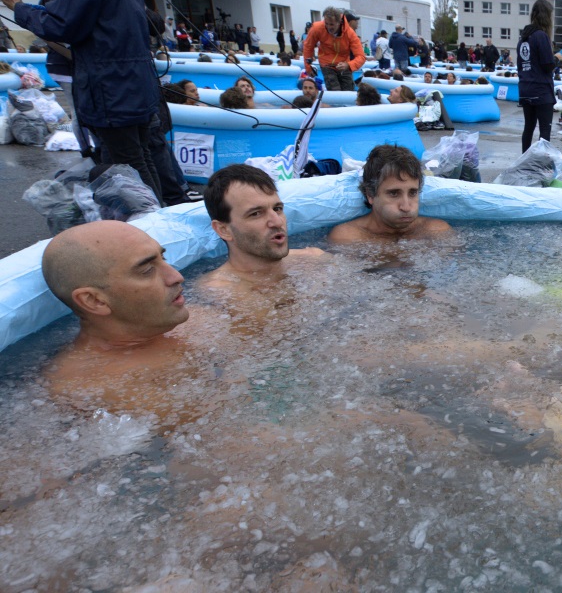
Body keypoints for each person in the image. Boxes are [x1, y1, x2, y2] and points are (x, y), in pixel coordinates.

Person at [2, 0, 163, 198]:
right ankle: (154, 217)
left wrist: (17, 6)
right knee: (141, 158)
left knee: (127, 166)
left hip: (111, 87)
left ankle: (147, 222)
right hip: (132, 82)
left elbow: (61, 26)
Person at [40, 221, 196, 427]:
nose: (176, 276)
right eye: (147, 269)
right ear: (94, 300)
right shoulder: (89, 390)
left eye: (163, 258)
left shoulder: (198, 321)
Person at [200, 164, 326, 295]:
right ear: (223, 230)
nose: (277, 222)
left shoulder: (313, 259)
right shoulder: (221, 290)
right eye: (256, 213)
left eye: (277, 209)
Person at [328, 145, 451, 243]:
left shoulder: (436, 230)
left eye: (412, 192)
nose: (406, 207)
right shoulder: (348, 236)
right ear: (370, 195)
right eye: (394, 193)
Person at [517, 0, 562, 153]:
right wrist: (557, 58)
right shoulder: (541, 36)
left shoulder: (523, 38)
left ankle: (524, 161)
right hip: (541, 90)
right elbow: (547, 65)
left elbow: (521, 65)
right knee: (544, 131)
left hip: (525, 88)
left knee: (528, 128)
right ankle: (540, 165)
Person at [303, 8, 365, 92]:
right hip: (327, 64)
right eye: (326, 23)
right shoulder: (317, 28)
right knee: (334, 90)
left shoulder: (350, 34)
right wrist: (308, 67)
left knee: (349, 92)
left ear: (339, 22)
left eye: (331, 24)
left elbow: (361, 56)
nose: (328, 27)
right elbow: (308, 46)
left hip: (344, 65)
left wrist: (348, 65)